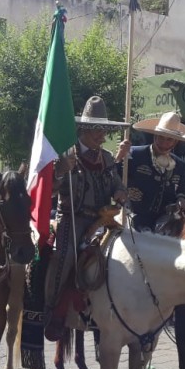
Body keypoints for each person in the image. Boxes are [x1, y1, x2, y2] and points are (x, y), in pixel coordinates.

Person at [44, 96, 130, 340]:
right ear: (84, 129)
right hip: (74, 219)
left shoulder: (107, 158)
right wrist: (61, 170)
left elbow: (116, 184)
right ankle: (52, 310)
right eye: (98, 131)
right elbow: (49, 190)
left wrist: (121, 193)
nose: (103, 136)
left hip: (104, 219)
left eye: (104, 131)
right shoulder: (65, 155)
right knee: (65, 256)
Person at [115, 111, 185, 232]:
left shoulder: (180, 165)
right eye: (161, 137)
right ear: (155, 135)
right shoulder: (134, 154)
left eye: (169, 140)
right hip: (132, 220)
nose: (164, 143)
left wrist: (181, 200)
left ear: (175, 142)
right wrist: (119, 157)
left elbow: (181, 192)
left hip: (164, 224)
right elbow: (114, 176)